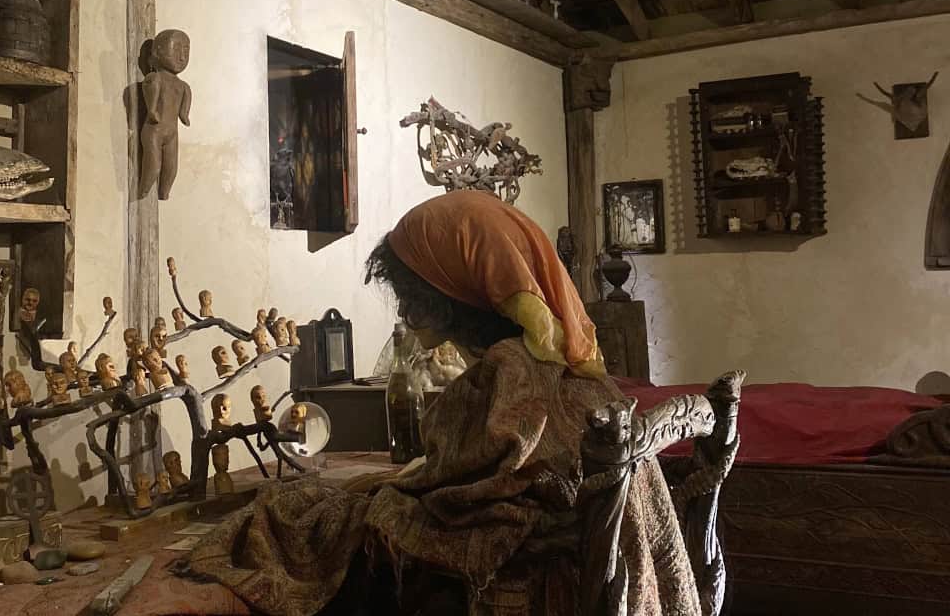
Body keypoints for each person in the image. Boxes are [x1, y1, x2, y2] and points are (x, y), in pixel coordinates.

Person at [187, 191, 698, 615]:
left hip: (547, 575)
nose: (406, 310)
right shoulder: (558, 360)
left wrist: (390, 492)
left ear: (459, 288)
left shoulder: (505, 374)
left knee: (293, 516)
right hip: (610, 570)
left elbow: (448, 493)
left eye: (414, 292)